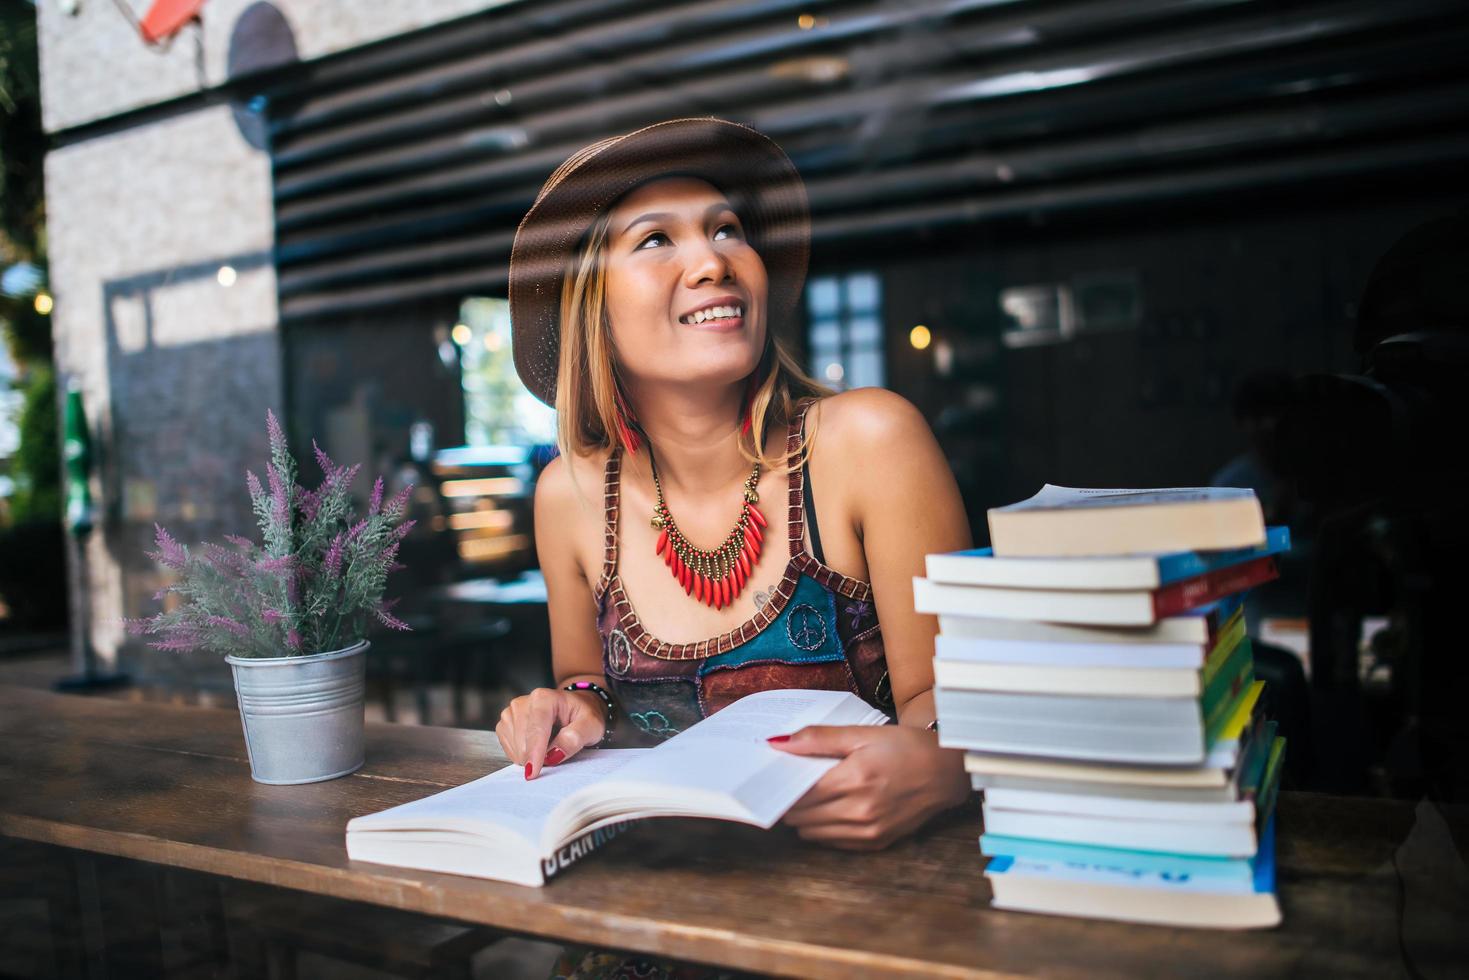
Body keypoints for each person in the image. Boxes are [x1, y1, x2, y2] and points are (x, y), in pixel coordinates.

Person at [496, 118, 972, 862]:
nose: (714, 261)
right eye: (656, 239)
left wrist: (947, 767)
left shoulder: (870, 442)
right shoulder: (569, 495)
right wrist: (570, 709)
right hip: (658, 900)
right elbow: (588, 685)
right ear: (593, 306)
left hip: (866, 898)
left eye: (726, 230)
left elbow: (946, 702)